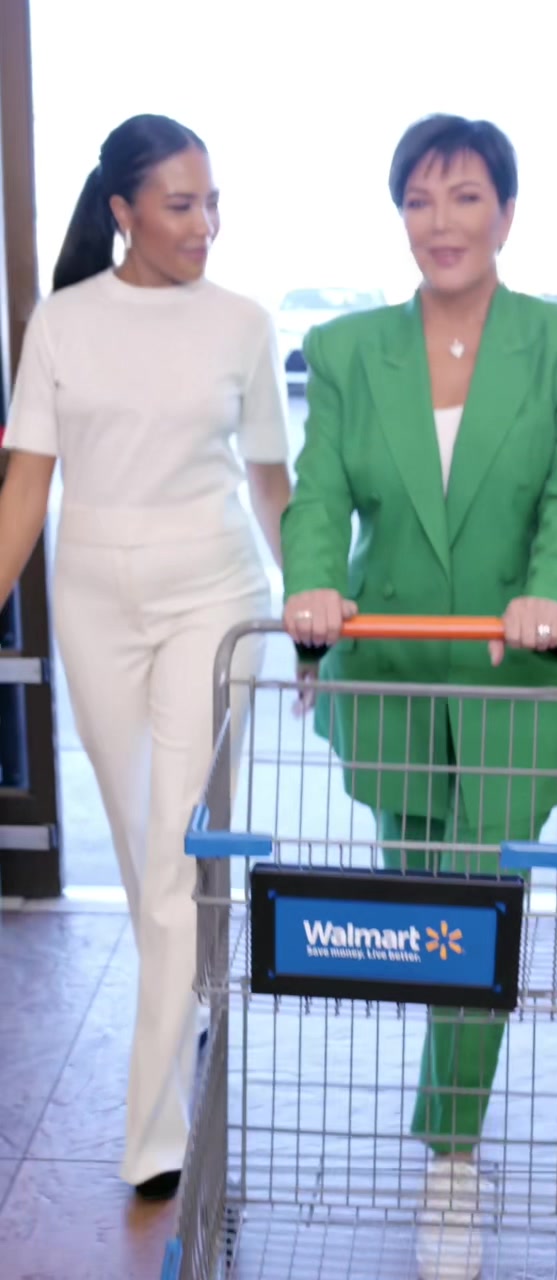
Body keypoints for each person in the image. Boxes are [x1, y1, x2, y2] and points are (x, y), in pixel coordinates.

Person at [282, 113, 557, 1279]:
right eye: (420, 200)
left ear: (507, 213)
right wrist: (311, 584)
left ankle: (450, 1156)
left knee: (476, 910)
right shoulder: (347, 351)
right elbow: (319, 495)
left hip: (509, 680)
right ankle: (453, 1127)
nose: (442, 222)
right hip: (392, 677)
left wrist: (551, 591)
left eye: (467, 196)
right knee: (431, 915)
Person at [0, 114, 291, 1201]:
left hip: (215, 592)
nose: (205, 224)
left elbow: (272, 483)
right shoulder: (61, 322)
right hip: (94, 600)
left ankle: (156, 1137)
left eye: (213, 202)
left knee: (172, 852)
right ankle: (196, 981)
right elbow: (26, 487)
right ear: (122, 211)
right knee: (144, 844)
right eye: (180, 205)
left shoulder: (243, 324)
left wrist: (313, 615)